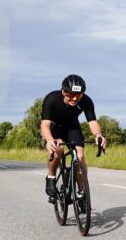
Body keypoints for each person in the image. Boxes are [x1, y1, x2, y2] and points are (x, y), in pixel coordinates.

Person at [40, 74, 106, 205]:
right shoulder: (52, 98)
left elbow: (92, 122)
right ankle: (51, 176)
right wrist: (49, 140)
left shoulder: (86, 101)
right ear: (63, 91)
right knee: (58, 149)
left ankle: (82, 192)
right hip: (55, 128)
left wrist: (98, 135)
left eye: (78, 95)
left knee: (80, 156)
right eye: (70, 94)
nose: (75, 98)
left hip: (72, 127)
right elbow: (45, 124)